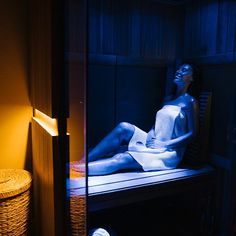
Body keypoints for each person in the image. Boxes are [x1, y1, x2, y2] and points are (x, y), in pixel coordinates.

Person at [85, 64, 199, 176]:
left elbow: (192, 134)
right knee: (123, 127)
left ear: (192, 78)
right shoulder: (168, 99)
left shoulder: (190, 102)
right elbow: (158, 123)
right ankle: (83, 161)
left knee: (122, 158)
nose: (178, 71)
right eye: (178, 69)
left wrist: (165, 144)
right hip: (154, 141)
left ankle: (75, 171)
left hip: (169, 151)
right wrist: (151, 133)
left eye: (184, 70)